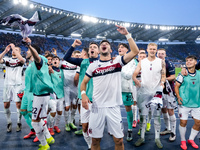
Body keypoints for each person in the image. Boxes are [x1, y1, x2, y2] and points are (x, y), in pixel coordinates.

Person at [81, 25, 139, 150]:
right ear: (99, 50)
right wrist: (83, 94)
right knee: (95, 141)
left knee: (118, 141)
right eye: (102, 43)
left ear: (110, 49)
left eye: (107, 43)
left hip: (113, 107)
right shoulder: (93, 66)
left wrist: (127, 34)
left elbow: (135, 52)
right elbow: (83, 82)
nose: (104, 44)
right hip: (97, 107)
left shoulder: (117, 62)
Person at [63, 41, 99, 149]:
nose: (92, 48)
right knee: (84, 127)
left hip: (97, 100)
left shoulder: (102, 63)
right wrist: (73, 45)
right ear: (89, 51)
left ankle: (93, 146)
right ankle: (89, 145)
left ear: (98, 51)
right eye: (90, 47)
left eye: (94, 47)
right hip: (84, 99)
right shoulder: (83, 62)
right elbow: (67, 58)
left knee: (94, 127)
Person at [133, 43, 166, 148]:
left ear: (156, 50)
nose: (152, 50)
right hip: (144, 91)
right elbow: (134, 74)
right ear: (147, 49)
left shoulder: (161, 62)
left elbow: (163, 75)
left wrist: (162, 83)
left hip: (156, 92)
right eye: (151, 49)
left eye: (154, 49)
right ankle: (142, 137)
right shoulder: (142, 62)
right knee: (143, 116)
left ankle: (157, 138)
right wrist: (136, 80)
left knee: (157, 117)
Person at [24, 37, 55, 150]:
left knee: (35, 122)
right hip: (41, 95)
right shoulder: (34, 63)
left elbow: (37, 57)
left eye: (27, 51)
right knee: (39, 119)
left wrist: (29, 46)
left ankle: (44, 144)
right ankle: (48, 137)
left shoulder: (39, 59)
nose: (26, 52)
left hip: (40, 96)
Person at [175, 55, 200, 150]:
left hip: (197, 103)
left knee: (198, 123)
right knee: (183, 122)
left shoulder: (199, 74)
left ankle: (191, 139)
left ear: (195, 62)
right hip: (184, 103)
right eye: (187, 61)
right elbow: (176, 86)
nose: (188, 62)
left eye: (191, 60)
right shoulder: (182, 74)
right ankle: (183, 140)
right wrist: (178, 97)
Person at [0, 43, 25, 132]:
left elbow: (21, 59)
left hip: (17, 85)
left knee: (18, 104)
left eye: (17, 50)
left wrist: (14, 48)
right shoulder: (7, 60)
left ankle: (19, 122)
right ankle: (9, 122)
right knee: (6, 104)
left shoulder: (21, 60)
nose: (14, 51)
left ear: (20, 52)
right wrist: (5, 51)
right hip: (7, 85)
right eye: (13, 50)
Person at [118, 43, 137, 141]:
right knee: (115, 109)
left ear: (127, 50)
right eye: (119, 47)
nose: (120, 49)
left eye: (122, 47)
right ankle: (118, 128)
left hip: (126, 89)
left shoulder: (132, 61)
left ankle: (129, 129)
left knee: (128, 108)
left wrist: (118, 69)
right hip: (115, 89)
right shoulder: (116, 59)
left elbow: (129, 75)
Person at [157, 48, 177, 142]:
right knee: (163, 109)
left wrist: (163, 80)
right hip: (159, 90)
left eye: (162, 53)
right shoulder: (155, 63)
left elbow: (173, 76)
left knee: (170, 110)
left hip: (168, 91)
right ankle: (168, 128)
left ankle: (173, 132)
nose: (160, 55)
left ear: (165, 55)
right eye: (159, 53)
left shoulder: (169, 64)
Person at [21, 44, 39, 142]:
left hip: (33, 92)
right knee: (23, 111)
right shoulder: (30, 63)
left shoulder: (37, 63)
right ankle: (33, 130)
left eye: (28, 50)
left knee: (32, 114)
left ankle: (39, 132)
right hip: (26, 91)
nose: (26, 52)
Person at [61, 50, 82, 131]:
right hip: (66, 88)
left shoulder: (79, 65)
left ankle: (71, 122)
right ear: (72, 54)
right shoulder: (64, 63)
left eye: (79, 56)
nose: (77, 57)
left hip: (75, 88)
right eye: (76, 55)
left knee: (74, 105)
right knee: (66, 106)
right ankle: (66, 124)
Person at [48, 56, 64, 135]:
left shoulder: (62, 71)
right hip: (53, 94)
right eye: (53, 59)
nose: (55, 60)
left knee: (60, 112)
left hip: (61, 94)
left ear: (59, 61)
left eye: (56, 59)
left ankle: (56, 125)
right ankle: (50, 127)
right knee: (53, 112)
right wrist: (49, 69)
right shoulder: (50, 70)